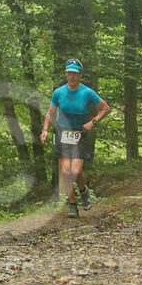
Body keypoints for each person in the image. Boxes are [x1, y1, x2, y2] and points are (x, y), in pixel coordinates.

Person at [40, 59, 110, 218]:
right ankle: (72, 204)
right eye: (69, 73)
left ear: (80, 75)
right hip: (62, 134)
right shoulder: (59, 92)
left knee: (76, 171)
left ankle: (83, 191)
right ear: (66, 73)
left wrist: (92, 122)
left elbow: (105, 109)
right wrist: (45, 130)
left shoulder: (87, 93)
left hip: (79, 134)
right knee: (66, 172)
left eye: (74, 73)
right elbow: (50, 113)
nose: (71, 76)